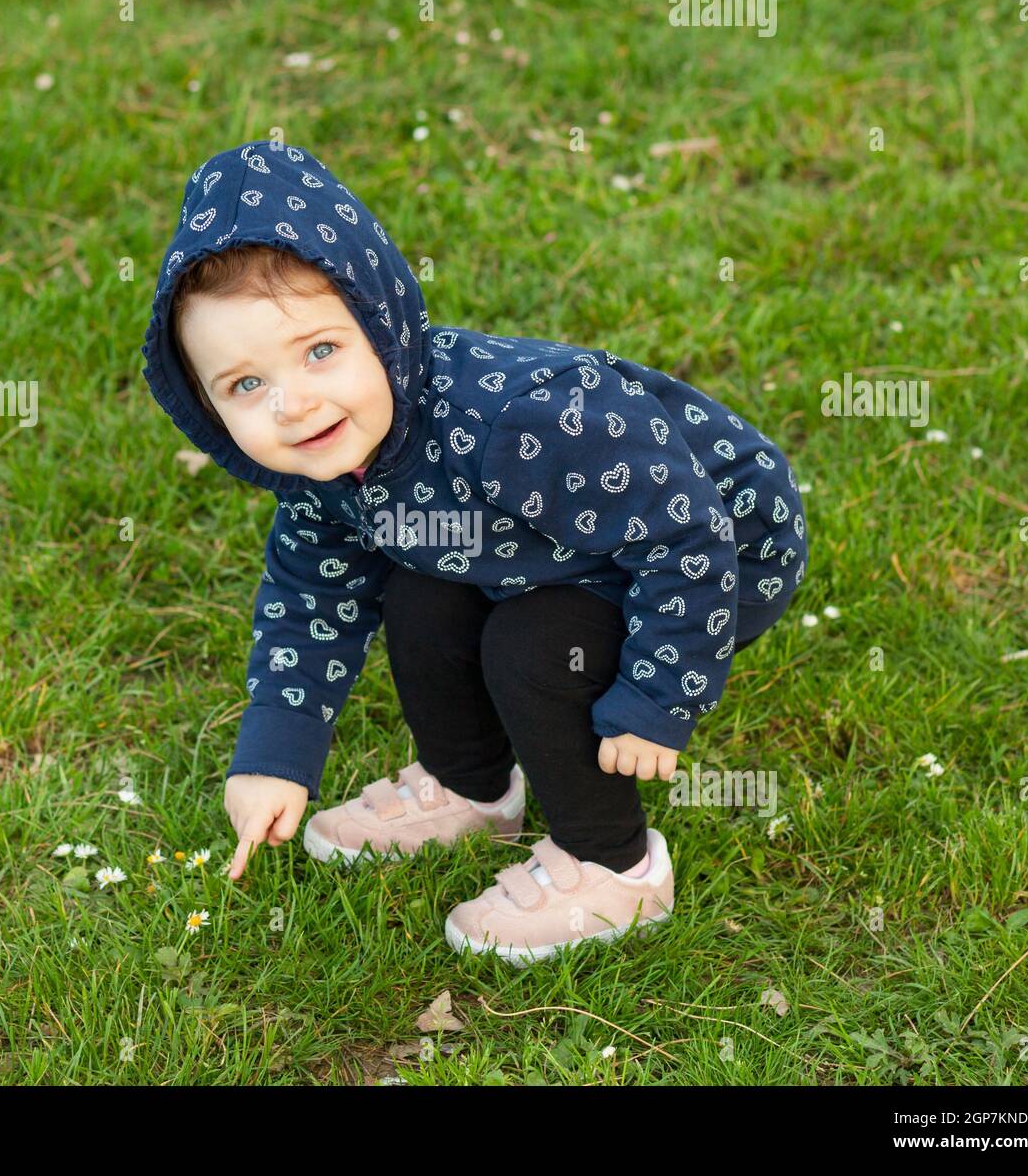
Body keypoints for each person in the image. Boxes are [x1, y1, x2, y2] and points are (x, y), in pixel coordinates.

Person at [140, 140, 808, 965]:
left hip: (712, 543)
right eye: (245, 385)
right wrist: (277, 754)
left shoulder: (514, 425)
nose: (293, 405)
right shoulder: (323, 471)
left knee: (532, 648)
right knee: (421, 596)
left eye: (320, 351)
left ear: (380, 322)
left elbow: (686, 530)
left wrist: (659, 694)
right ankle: (473, 783)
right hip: (544, 539)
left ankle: (615, 866)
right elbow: (311, 601)